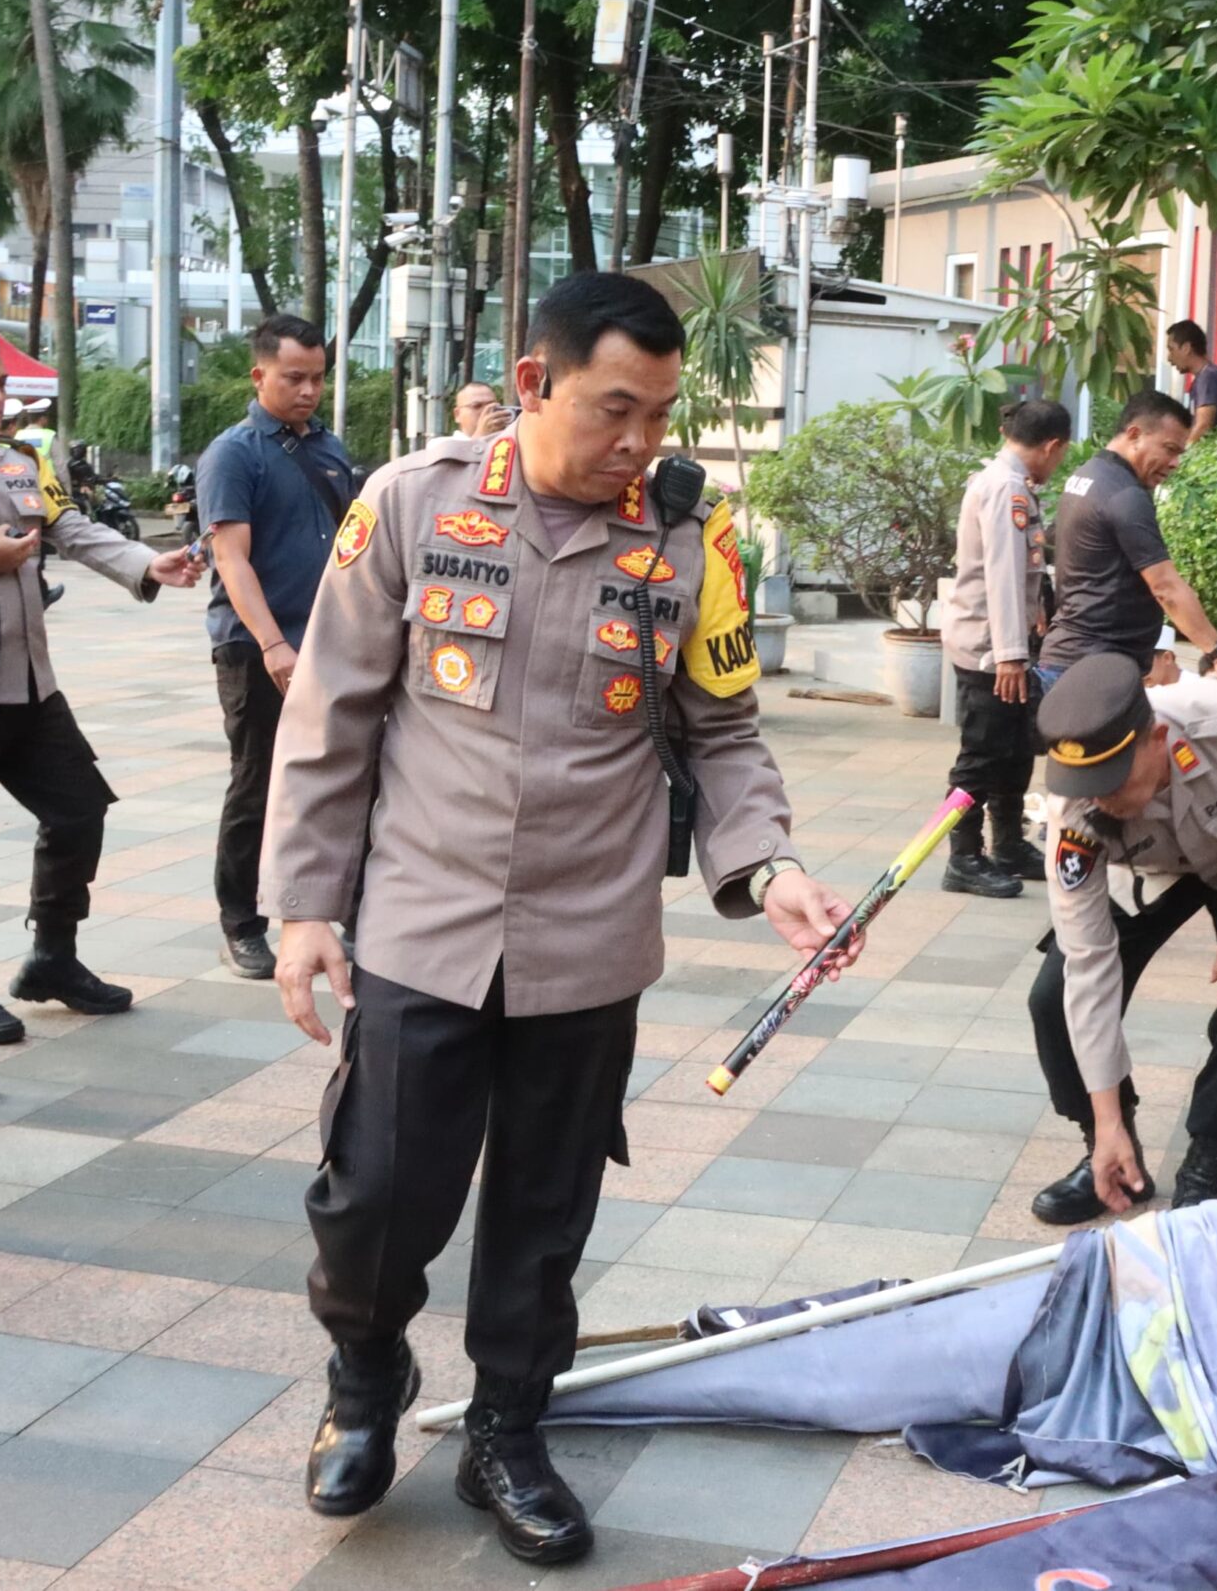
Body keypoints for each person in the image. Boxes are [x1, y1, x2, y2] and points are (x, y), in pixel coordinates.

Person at [260, 271, 855, 1564]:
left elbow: (725, 730)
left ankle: (508, 1432)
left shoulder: (688, 539)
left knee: (542, 1217)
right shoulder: (414, 501)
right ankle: (364, 1384)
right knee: (374, 1200)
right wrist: (307, 903)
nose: (640, 443)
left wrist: (771, 863)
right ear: (533, 383)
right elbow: (332, 717)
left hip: (589, 943)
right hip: (423, 922)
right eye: (613, 410)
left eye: (658, 415)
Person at [0, 324, 200, 1043]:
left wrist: (144, 562)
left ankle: (52, 955)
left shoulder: (18, 460)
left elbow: (68, 526)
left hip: (31, 688)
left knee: (78, 811)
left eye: (1, 384)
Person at [1025, 652, 1217, 1222]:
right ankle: (1111, 1154)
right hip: (1148, 867)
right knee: (1052, 999)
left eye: (1111, 781)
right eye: (1086, 785)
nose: (1099, 798)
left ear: (1157, 739)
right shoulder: (1076, 808)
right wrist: (1107, 1121)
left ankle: (1209, 1165)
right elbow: (1089, 964)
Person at [196, 315, 358, 979]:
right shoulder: (234, 454)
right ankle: (241, 921)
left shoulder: (329, 448)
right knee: (258, 782)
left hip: (327, 641)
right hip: (257, 647)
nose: (309, 390)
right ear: (259, 374)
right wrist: (271, 643)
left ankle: (326, 905)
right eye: (294, 377)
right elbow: (232, 560)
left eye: (318, 377)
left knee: (335, 776)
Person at [940, 396, 1070, 900]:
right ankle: (963, 857)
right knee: (981, 756)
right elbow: (1000, 573)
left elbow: (1023, 570)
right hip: (988, 650)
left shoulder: (1010, 483)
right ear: (1052, 445)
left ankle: (1009, 844)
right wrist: (1012, 655)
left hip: (1003, 645)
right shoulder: (1005, 489)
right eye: (1060, 454)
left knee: (1015, 751)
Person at [1034, 391, 1217, 690]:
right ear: (1134, 434)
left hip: (1071, 661)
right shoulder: (1124, 494)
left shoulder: (1086, 476)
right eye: (1169, 449)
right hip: (1095, 672)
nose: (1174, 463)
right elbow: (1166, 587)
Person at [1164, 319, 1217, 445]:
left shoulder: (1209, 378)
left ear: (1186, 348)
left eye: (1171, 349)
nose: (1169, 358)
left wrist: (1183, 457)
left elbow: (1203, 425)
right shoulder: (1203, 379)